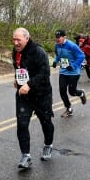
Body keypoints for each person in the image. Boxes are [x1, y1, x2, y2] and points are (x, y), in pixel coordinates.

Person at [12, 28, 54, 169]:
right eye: (14, 39)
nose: (16, 42)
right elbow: (19, 68)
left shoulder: (38, 52)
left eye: (18, 39)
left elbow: (45, 73)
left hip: (42, 93)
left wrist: (29, 85)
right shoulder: (15, 52)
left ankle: (48, 145)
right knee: (22, 124)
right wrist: (16, 79)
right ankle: (26, 156)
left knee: (46, 121)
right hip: (23, 95)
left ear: (27, 39)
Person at [52, 29, 87, 117]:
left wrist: (74, 66)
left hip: (73, 72)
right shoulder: (57, 45)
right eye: (56, 37)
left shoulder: (71, 45)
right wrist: (55, 61)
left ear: (64, 37)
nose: (57, 39)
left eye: (59, 37)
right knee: (62, 91)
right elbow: (57, 54)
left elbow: (81, 56)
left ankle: (81, 93)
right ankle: (68, 108)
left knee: (72, 92)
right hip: (63, 71)